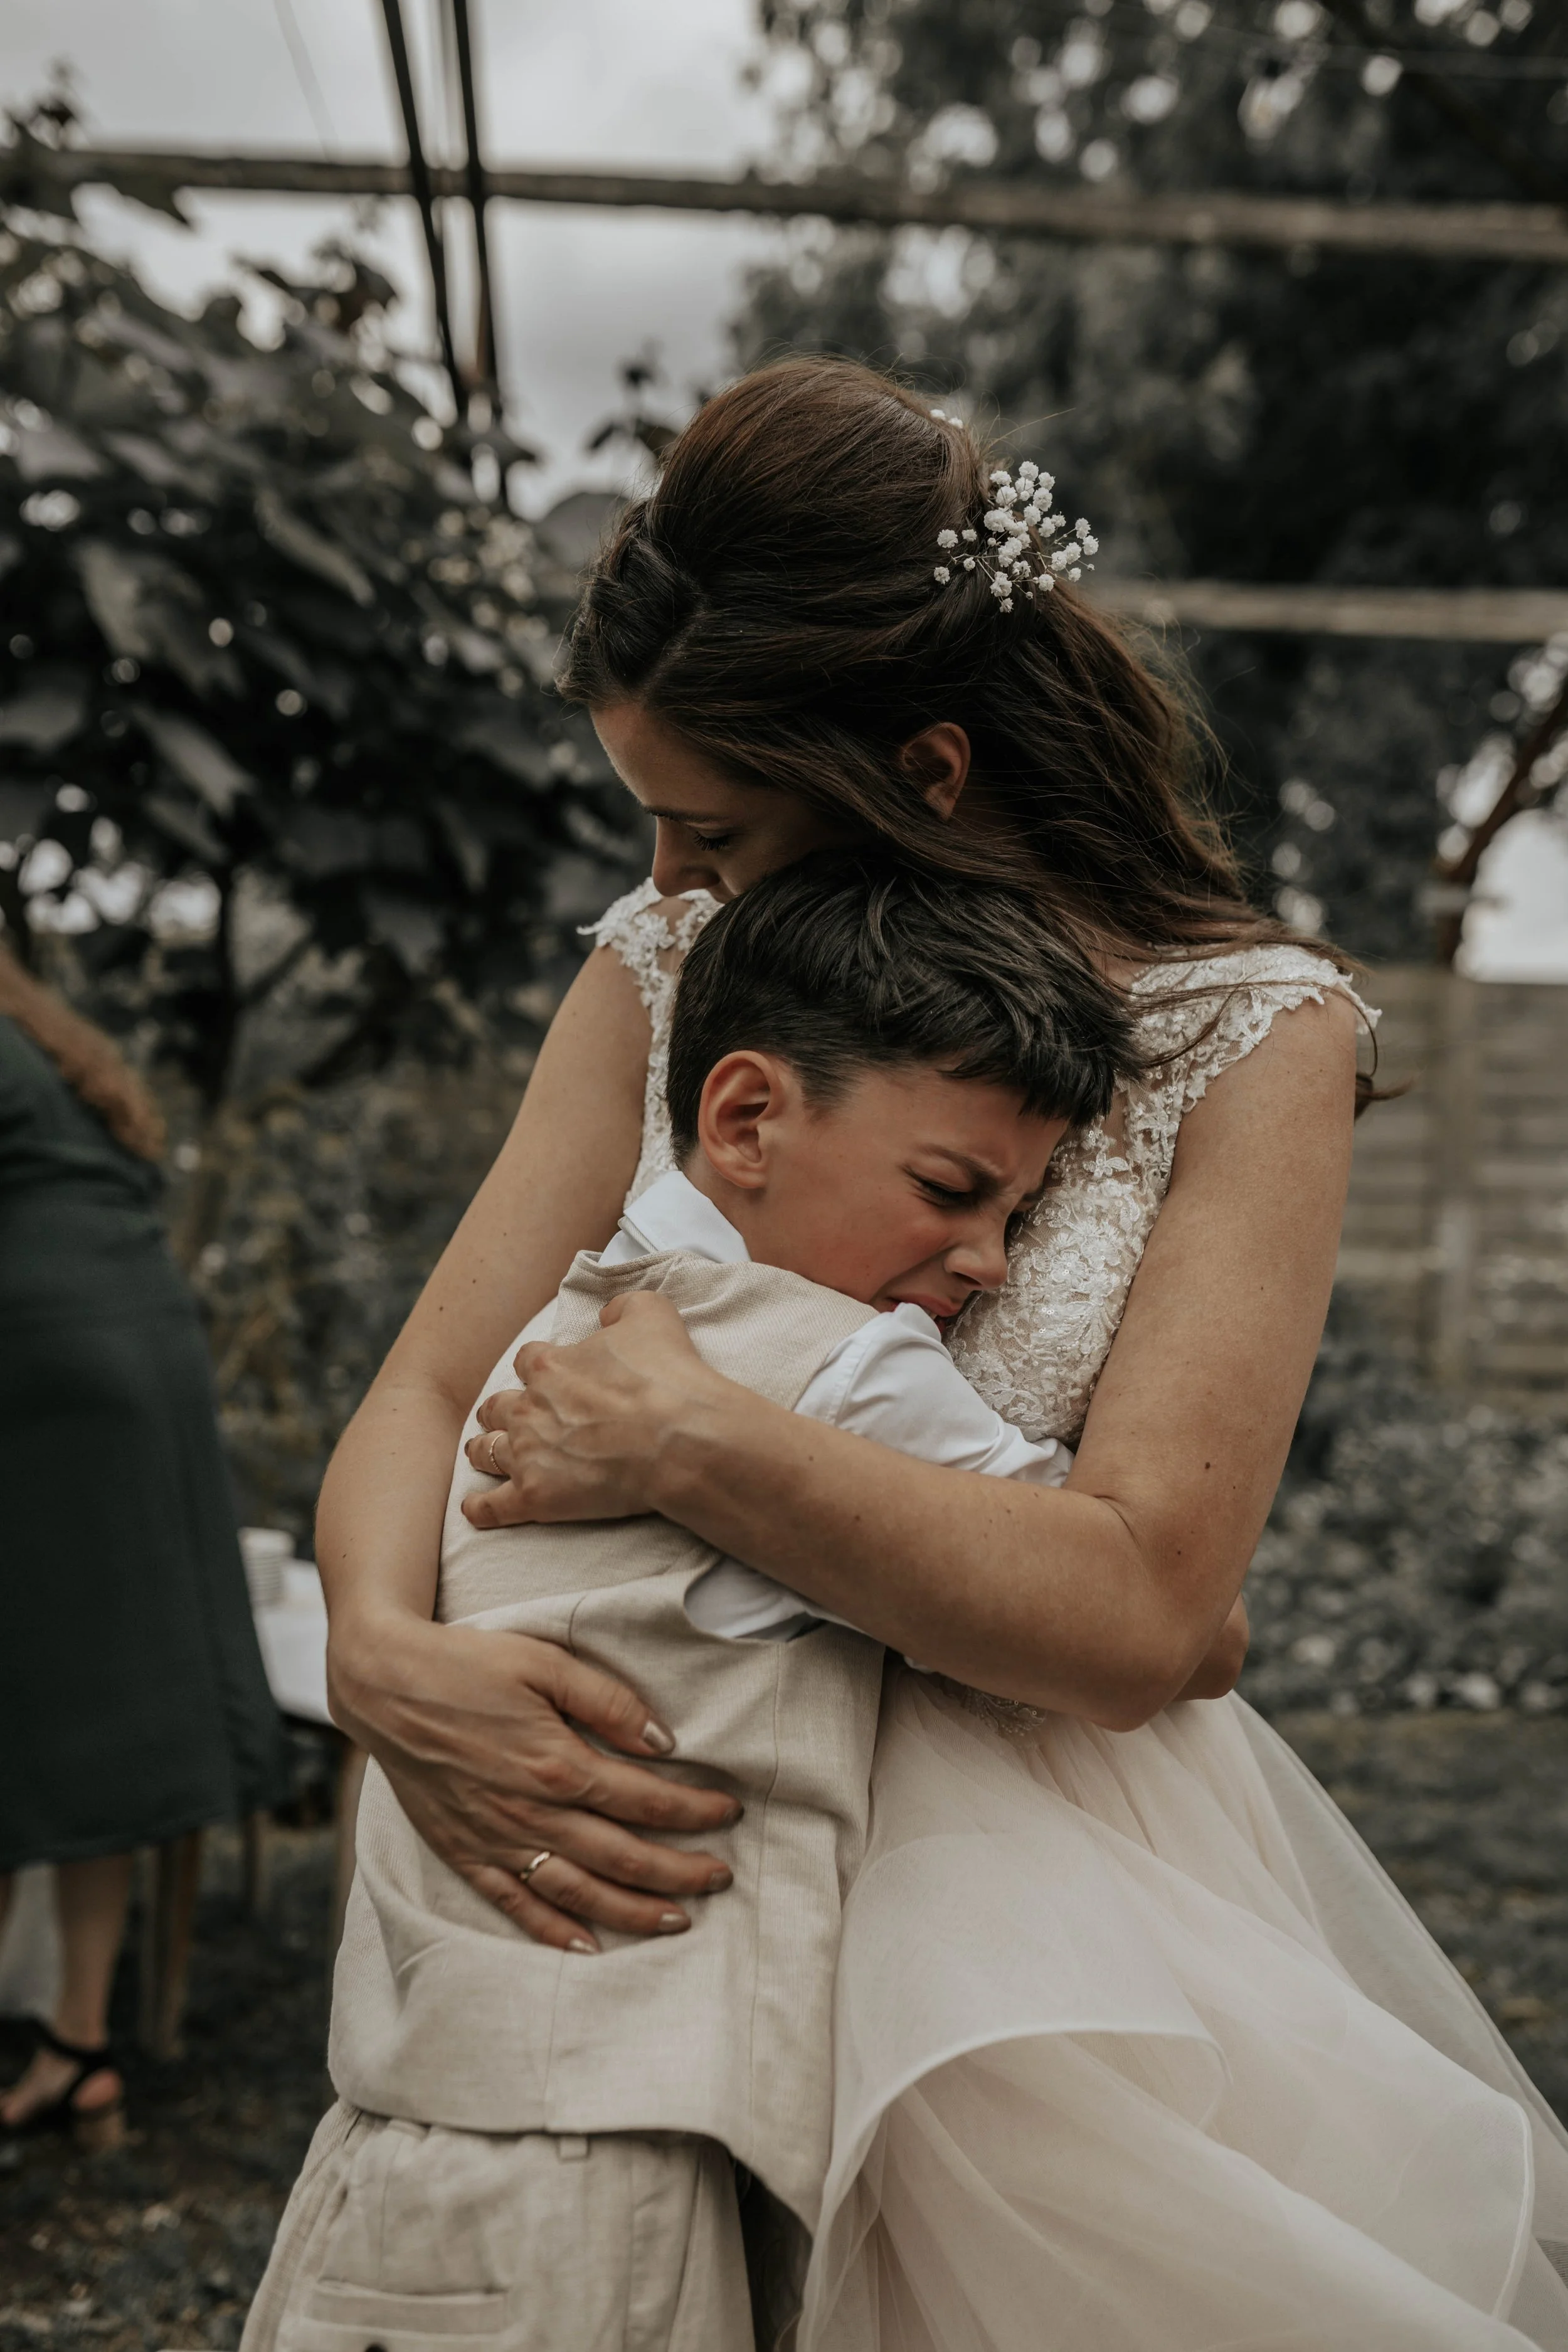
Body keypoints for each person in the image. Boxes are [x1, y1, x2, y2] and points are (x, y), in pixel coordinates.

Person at [297, 359, 1568, 2346]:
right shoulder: (667, 981)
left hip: (1001, 1945)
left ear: (925, 773)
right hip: (637, 1879)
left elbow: (1147, 1608)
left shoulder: (1252, 1035)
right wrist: (381, 1656)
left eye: (705, 822)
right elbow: (420, 1394)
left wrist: (697, 1443)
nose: (659, 882)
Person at [252, 855, 1251, 2350]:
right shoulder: (838, 1369)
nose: (985, 1263)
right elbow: (1183, 1637)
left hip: (407, 2108)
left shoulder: (548, 1326)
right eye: (951, 1194)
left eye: (1016, 1216)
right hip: (624, 2135)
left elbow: (412, 1395)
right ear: (742, 1118)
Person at [0, 940, 286, 2147]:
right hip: (134, 1355)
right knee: (96, 1699)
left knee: (27, 1702)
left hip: (37, 1362)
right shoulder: (48, 1034)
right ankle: (81, 2047)